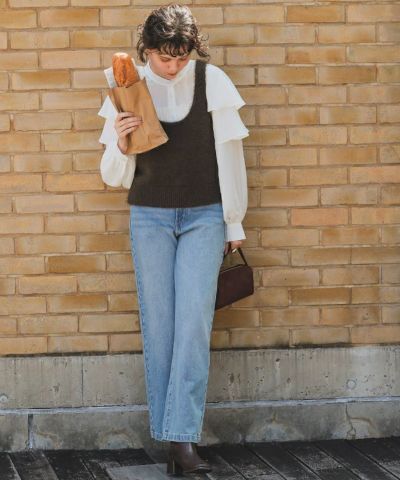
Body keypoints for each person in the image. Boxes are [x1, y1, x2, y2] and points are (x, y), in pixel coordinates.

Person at [97, 3, 249, 475]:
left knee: (194, 325)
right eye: (165, 57)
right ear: (146, 50)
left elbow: (231, 158)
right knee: (160, 327)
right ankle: (172, 438)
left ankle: (182, 440)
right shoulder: (126, 87)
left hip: (205, 217)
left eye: (182, 57)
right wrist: (121, 143)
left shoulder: (212, 81)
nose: (174, 66)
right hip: (150, 219)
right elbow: (112, 176)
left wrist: (234, 222)